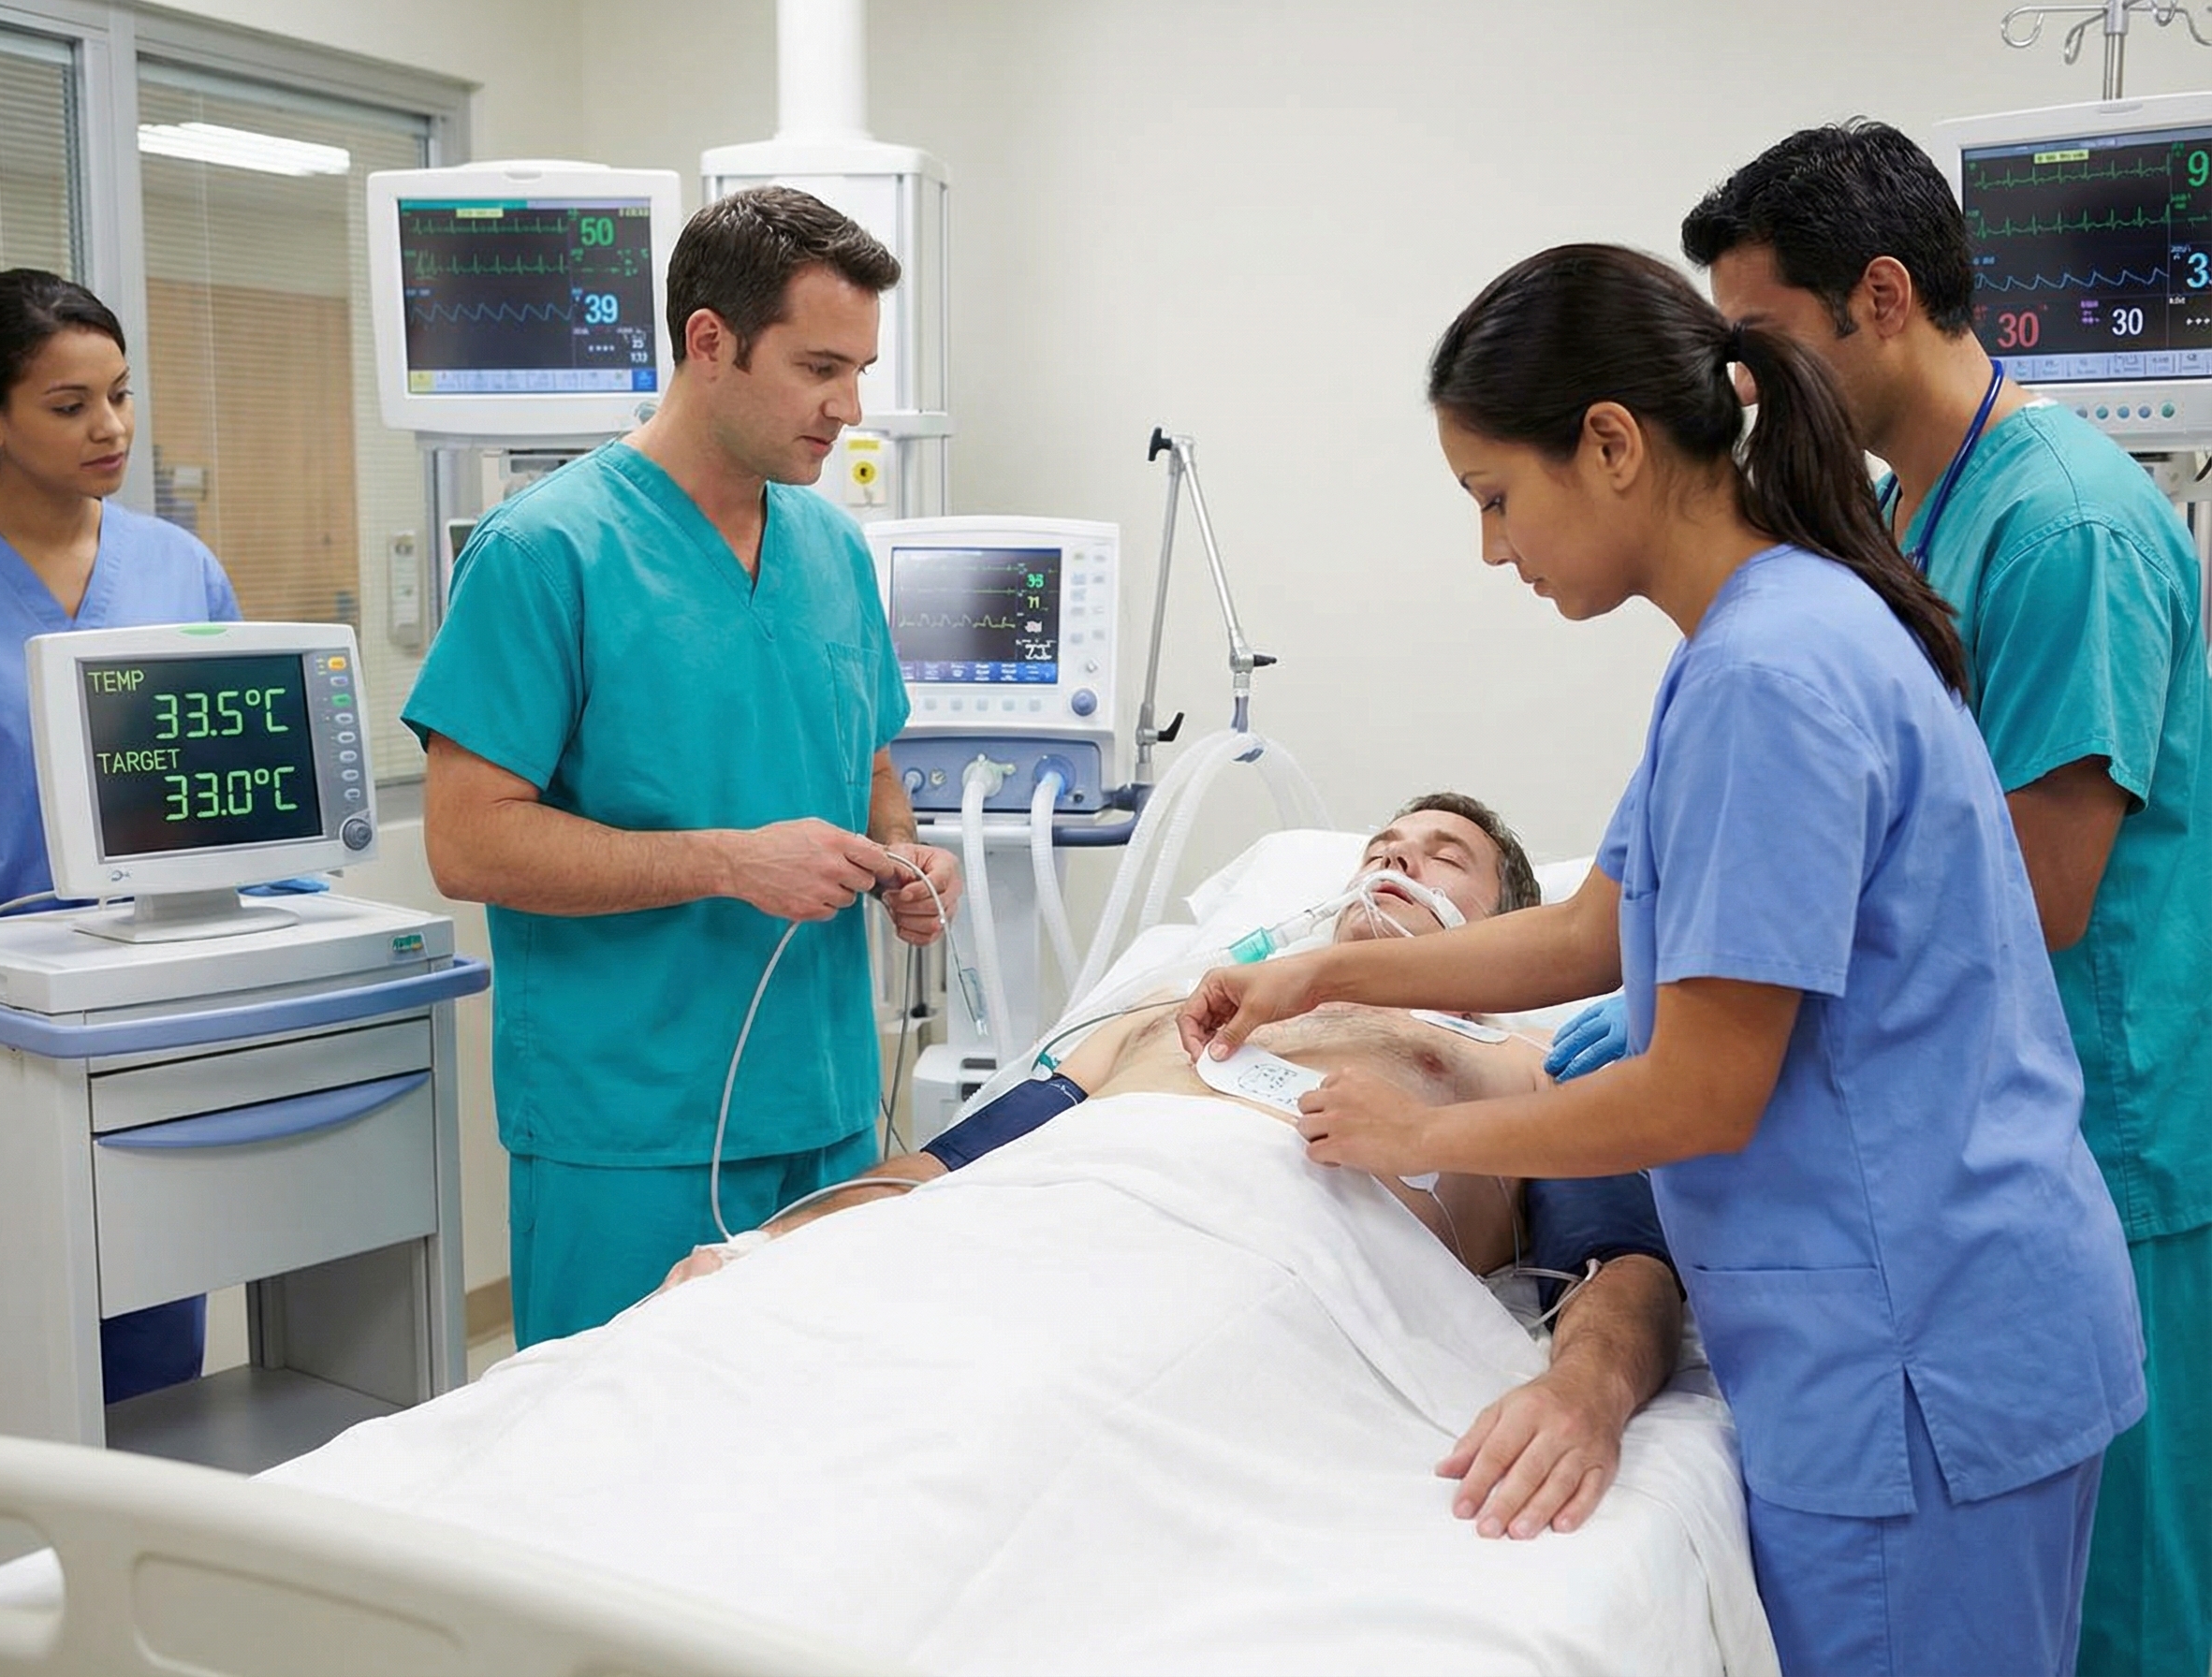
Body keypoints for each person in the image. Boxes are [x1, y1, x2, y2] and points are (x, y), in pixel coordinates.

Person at [1176, 244, 2146, 1677]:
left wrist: (1429, 1128)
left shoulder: (1771, 676)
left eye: (1497, 499)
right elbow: (1593, 928)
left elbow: (1700, 1093)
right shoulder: (1755, 639)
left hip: (1914, 1367)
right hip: (1941, 1324)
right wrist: (1322, 976)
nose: (1494, 551)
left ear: (1613, 445)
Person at [1679, 121, 2212, 1677]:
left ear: (1885, 299)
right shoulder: (1912, 510)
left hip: (2111, 1130)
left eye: (1765, 342)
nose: (1746, 389)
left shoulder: (2066, 524)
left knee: (2120, 1612)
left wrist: (1741, 990)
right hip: (1992, 1116)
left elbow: (2039, 889)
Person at [666, 793, 1686, 1543]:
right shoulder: (1170, 1014)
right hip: (1048, 1217)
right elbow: (950, 1164)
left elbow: (1624, 1259)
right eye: (1381, 847)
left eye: (1441, 857)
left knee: (1011, 1441)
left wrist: (1585, 1391)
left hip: (1269, 1265)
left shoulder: (1528, 1061)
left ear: (1510, 925)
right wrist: (770, 1243)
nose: (1396, 863)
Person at [404, 187, 961, 1350]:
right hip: (632, 1128)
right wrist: (729, 863)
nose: (848, 409)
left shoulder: (829, 547)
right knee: (615, 1479)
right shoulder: (546, 552)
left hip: (824, 1107)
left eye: (859, 369)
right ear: (709, 342)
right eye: (819, 367)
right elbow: (467, 843)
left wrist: (903, 855)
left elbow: (865, 761)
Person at [0, 268, 236, 1403]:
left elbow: (233, 798)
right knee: (2, 1347)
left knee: (150, 1336)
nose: (111, 427)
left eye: (120, 394)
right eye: (69, 405)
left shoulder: (178, 569)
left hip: (145, 1015)